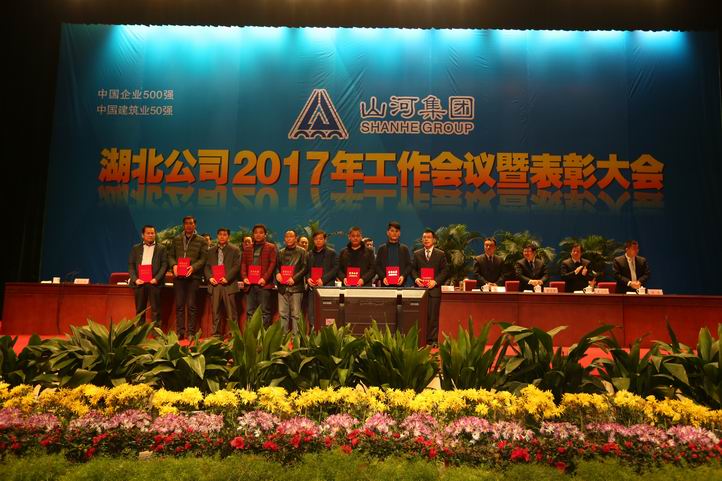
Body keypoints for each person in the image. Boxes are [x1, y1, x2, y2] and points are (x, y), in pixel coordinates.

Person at [167, 216, 208, 339]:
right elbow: (171, 255)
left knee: (191, 306)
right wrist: (174, 265)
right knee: (179, 305)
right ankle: (180, 332)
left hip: (193, 277)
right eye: (186, 223)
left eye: (191, 223)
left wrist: (193, 267)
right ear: (183, 225)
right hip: (179, 277)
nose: (188, 225)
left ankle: (191, 332)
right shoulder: (177, 239)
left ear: (195, 225)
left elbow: (204, 258)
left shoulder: (202, 240)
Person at [412, 229, 449, 346]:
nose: (426, 239)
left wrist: (435, 281)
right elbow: (412, 269)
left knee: (433, 317)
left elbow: (445, 271)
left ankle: (432, 341)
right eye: (424, 237)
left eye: (428, 237)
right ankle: (420, 339)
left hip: (434, 290)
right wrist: (416, 279)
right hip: (420, 291)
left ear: (434, 240)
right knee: (420, 316)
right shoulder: (417, 254)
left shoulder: (440, 254)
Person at [205, 228, 241, 338]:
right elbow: (207, 267)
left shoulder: (235, 250)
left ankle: (233, 335)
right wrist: (210, 277)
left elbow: (236, 266)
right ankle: (216, 335)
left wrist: (227, 278)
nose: (222, 236)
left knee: (231, 312)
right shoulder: (211, 251)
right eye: (220, 234)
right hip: (215, 284)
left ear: (228, 237)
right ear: (217, 236)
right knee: (215, 311)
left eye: (224, 234)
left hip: (228, 284)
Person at [127, 225, 168, 324]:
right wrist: (135, 279)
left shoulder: (161, 248)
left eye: (152, 233)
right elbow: (131, 265)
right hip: (140, 283)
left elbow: (164, 265)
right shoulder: (136, 248)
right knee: (140, 310)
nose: (150, 235)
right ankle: (140, 331)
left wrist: (157, 278)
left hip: (154, 283)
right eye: (148, 233)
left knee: (156, 310)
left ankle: (156, 331)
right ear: (143, 235)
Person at [241, 224, 278, 327]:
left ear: (265, 234)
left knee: (265, 312)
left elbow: (272, 264)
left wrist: (264, 278)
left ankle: (264, 334)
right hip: (250, 285)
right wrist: (244, 277)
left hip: (264, 285)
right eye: (256, 232)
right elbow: (243, 264)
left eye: (261, 232)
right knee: (250, 311)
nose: (258, 235)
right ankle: (251, 334)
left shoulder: (271, 247)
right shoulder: (248, 248)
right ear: (253, 234)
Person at [276, 230, 309, 334]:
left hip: (296, 287)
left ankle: (296, 339)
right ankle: (283, 339)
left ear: (296, 238)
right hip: (282, 288)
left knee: (296, 315)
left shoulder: (302, 252)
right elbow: (276, 267)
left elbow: (305, 268)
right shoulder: (280, 252)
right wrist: (277, 273)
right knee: (282, 314)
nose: (289, 238)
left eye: (291, 236)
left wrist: (294, 279)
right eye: (287, 237)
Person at [306, 230, 340, 326]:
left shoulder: (332, 253)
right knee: (312, 313)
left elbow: (336, 268)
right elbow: (306, 269)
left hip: (327, 287)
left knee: (327, 312)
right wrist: (308, 278)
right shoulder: (309, 254)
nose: (318, 241)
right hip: (313, 288)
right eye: (316, 239)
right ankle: (313, 331)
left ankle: (327, 331)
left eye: (320, 239)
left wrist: (323, 280)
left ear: (325, 239)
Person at [375, 221, 412, 287]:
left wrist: (403, 276)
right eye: (392, 231)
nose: (394, 233)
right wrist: (383, 277)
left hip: (400, 285)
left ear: (399, 233)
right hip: (385, 285)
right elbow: (377, 266)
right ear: (387, 233)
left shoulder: (404, 249)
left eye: (397, 231)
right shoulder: (381, 249)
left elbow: (409, 265)